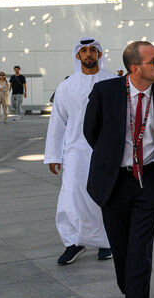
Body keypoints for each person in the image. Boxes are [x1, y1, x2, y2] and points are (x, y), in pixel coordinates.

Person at [84, 41, 154, 298]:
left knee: (140, 251)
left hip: (149, 182)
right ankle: (133, 290)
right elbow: (91, 132)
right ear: (135, 68)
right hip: (114, 182)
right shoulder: (106, 92)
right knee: (123, 253)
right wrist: (113, 160)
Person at [44, 38, 114, 265]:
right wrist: (54, 155)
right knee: (71, 194)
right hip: (75, 149)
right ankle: (73, 242)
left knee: (104, 196)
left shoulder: (113, 81)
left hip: (105, 150)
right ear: (77, 56)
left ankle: (106, 243)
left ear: (99, 54)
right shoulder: (66, 86)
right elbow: (57, 122)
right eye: (84, 51)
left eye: (93, 50)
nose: (89, 54)